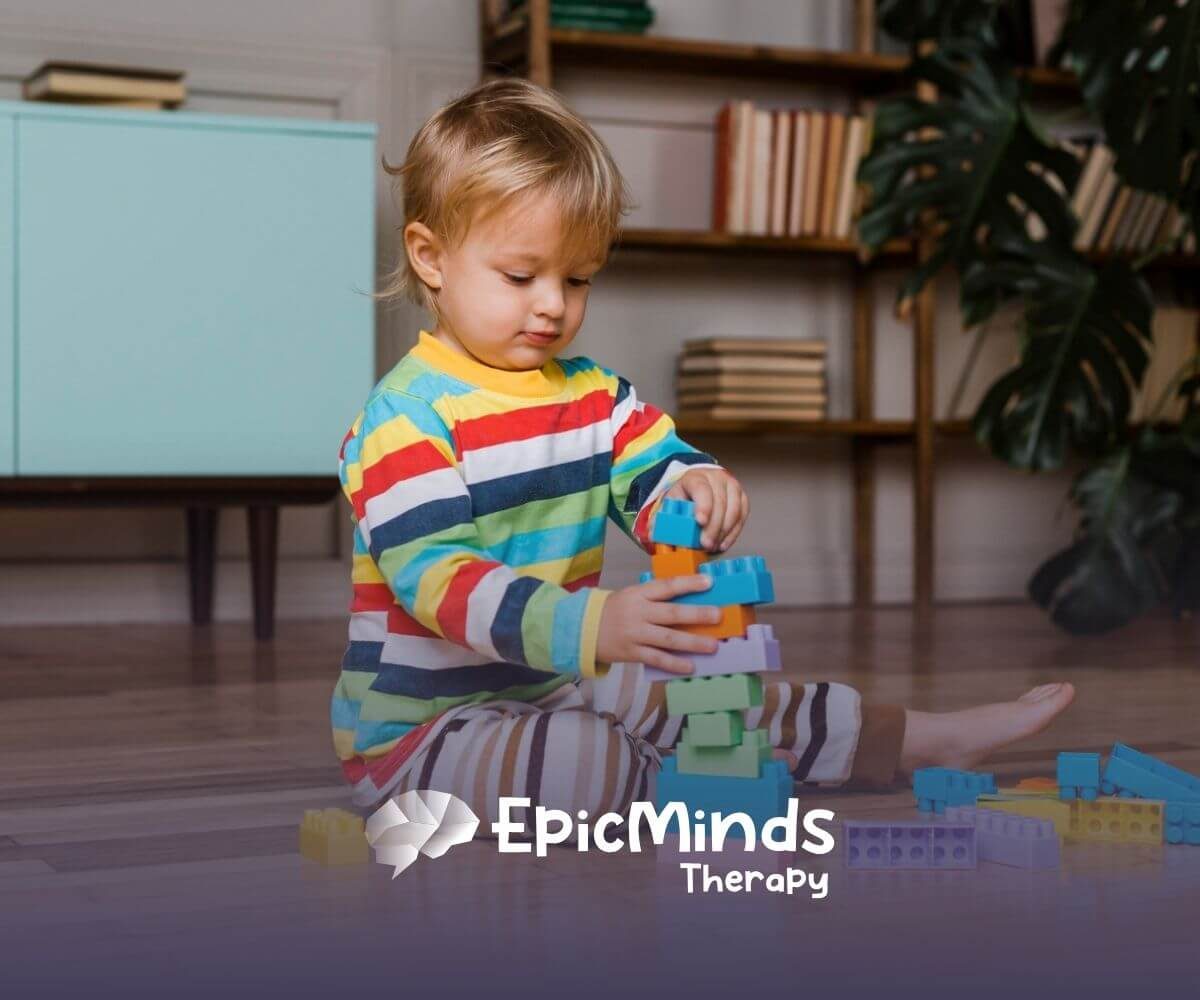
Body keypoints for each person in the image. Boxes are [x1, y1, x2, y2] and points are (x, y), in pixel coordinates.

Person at [330, 77, 1074, 821]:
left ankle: (913, 740)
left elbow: (654, 471)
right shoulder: (404, 419)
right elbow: (442, 582)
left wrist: (695, 487)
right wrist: (596, 625)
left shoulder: (593, 395)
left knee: (713, 693)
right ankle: (693, 777)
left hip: (555, 684)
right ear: (430, 256)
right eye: (522, 276)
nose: (554, 303)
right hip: (424, 736)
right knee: (591, 759)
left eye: (578, 278)